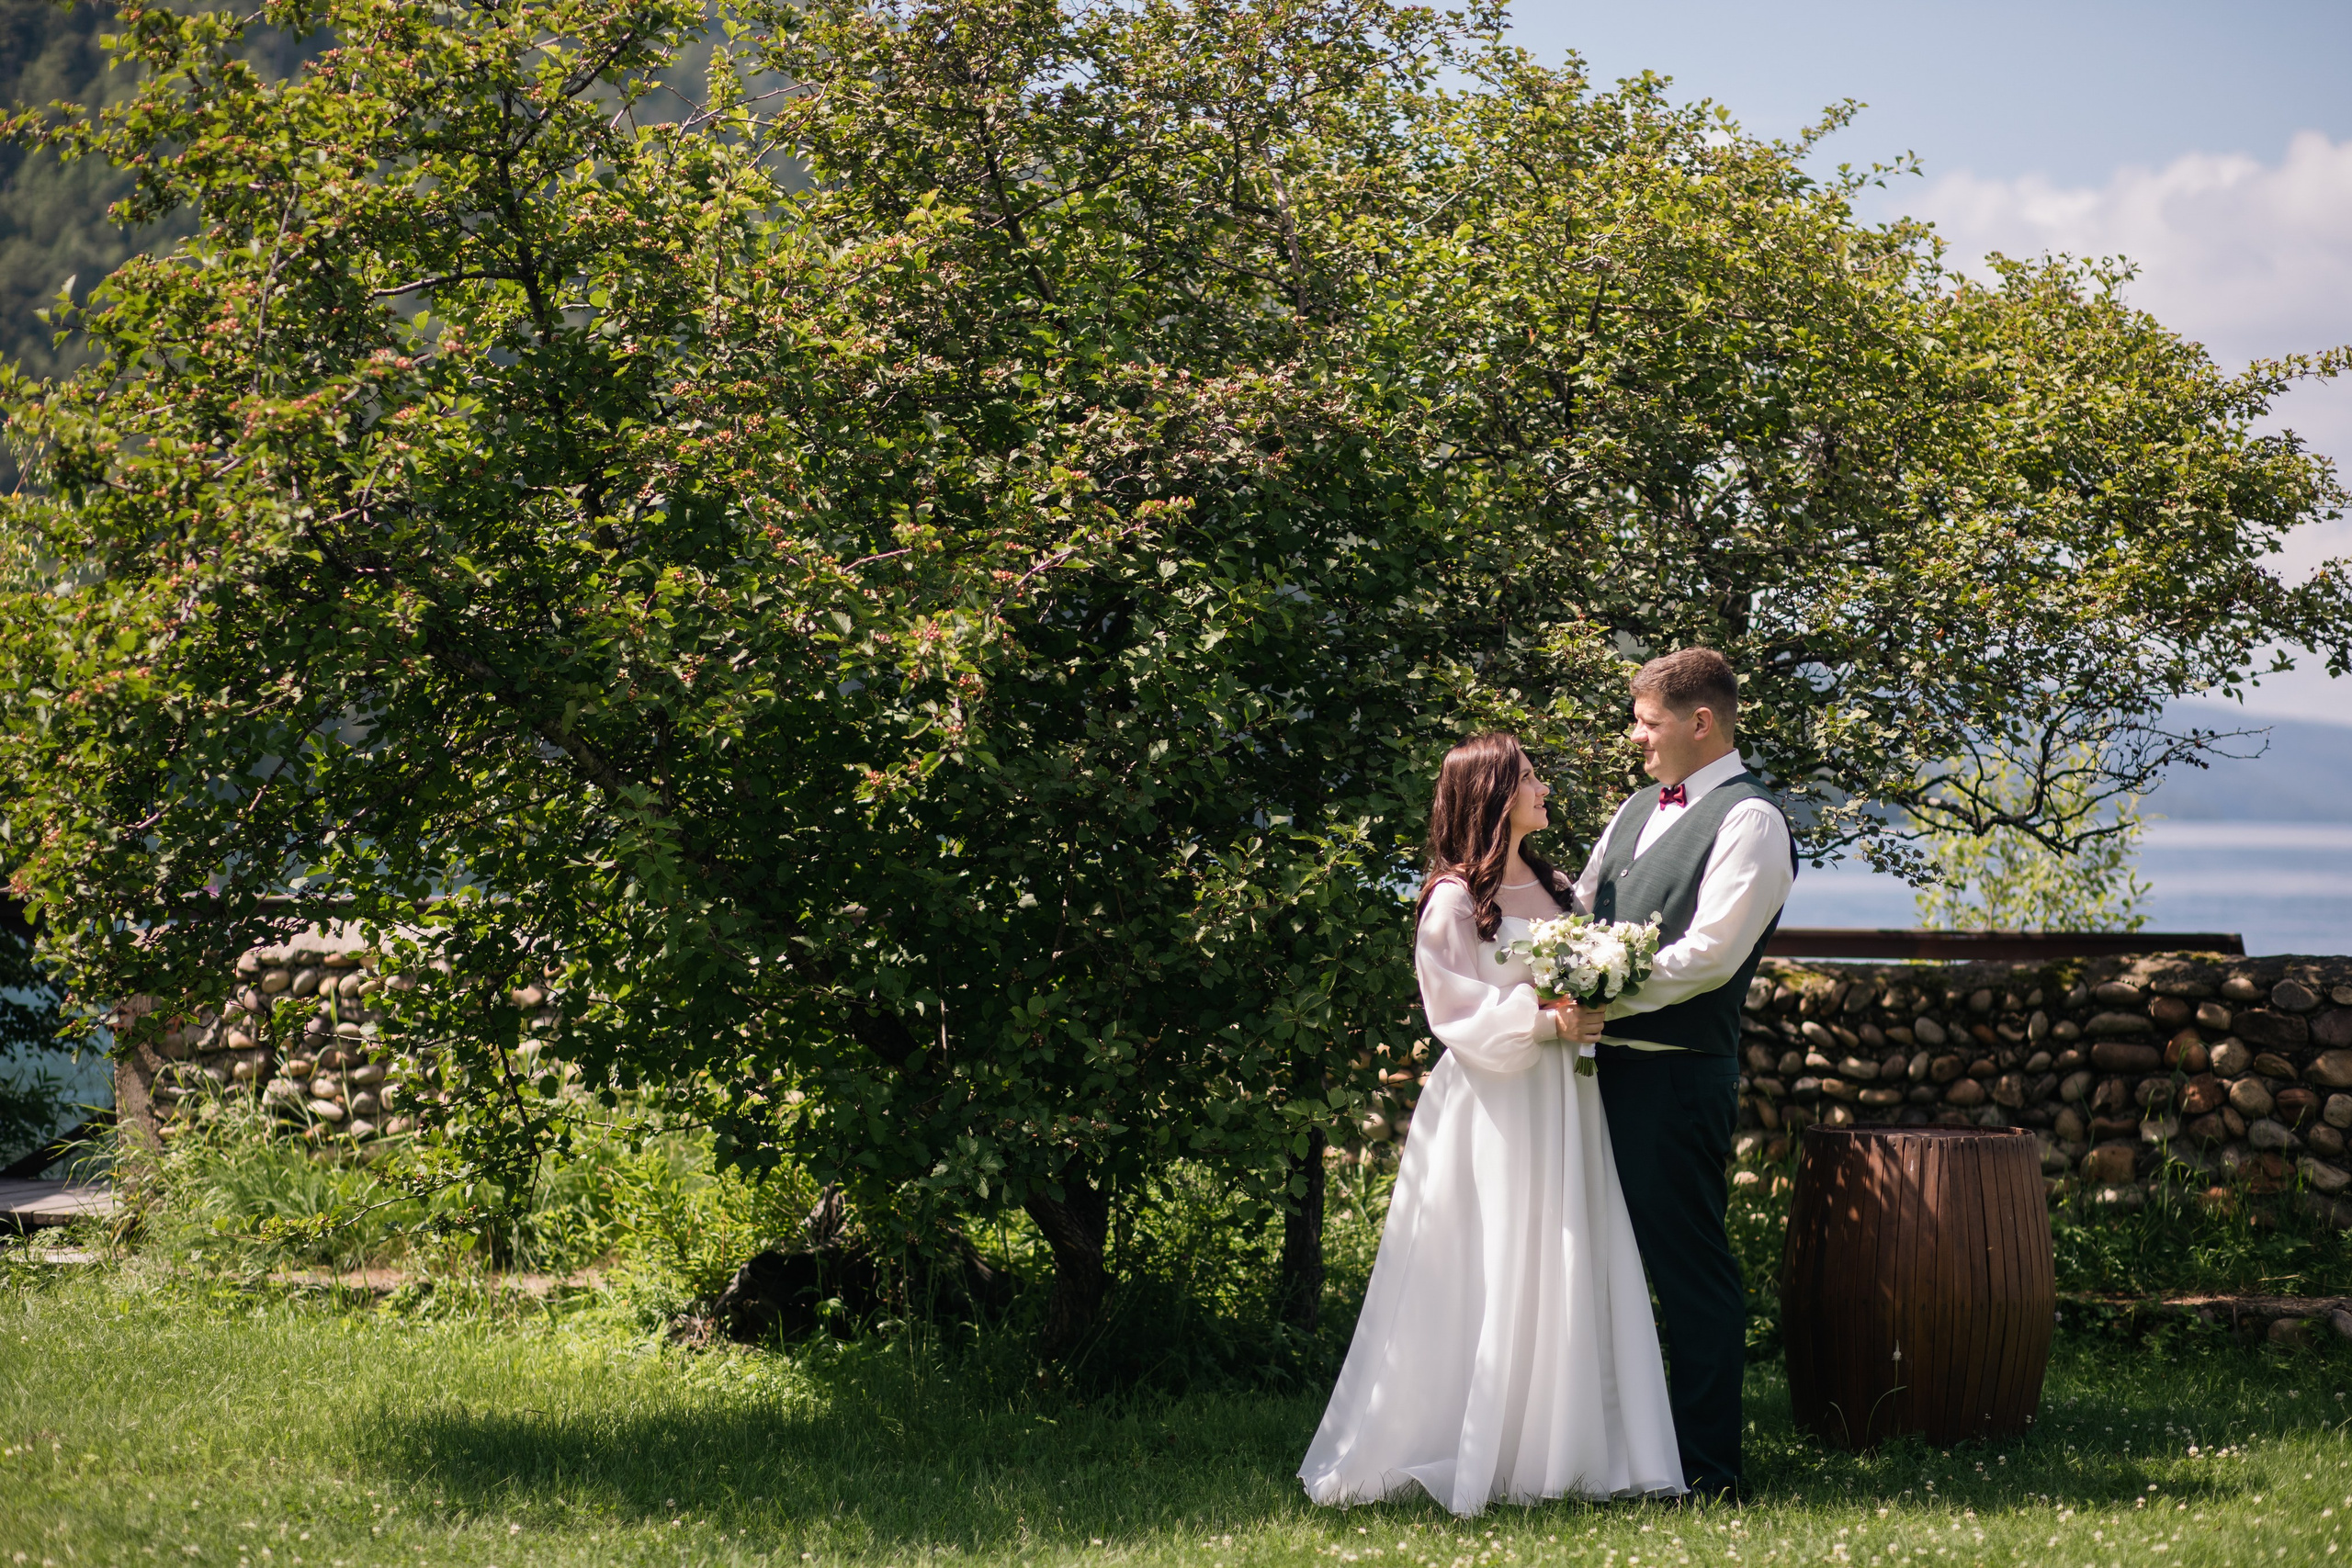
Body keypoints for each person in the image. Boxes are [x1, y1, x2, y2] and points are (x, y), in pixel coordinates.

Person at [1297, 731, 1683, 1516]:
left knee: (1569, 1247)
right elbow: (1455, 1013)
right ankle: (1482, 1443)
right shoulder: (1450, 900)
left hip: (1565, 1100)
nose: (1545, 786)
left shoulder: (1560, 886)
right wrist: (1547, 1021)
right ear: (1495, 793)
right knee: (1495, 1254)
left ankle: (1570, 1448)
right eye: (1531, 775)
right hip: (1492, 1099)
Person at [1570, 647, 1796, 1504]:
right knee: (1600, 1268)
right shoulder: (1634, 809)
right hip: (1594, 1074)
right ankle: (1619, 1458)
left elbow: (1707, 957)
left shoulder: (1751, 821)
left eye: (1648, 721)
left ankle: (1710, 1473)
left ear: (1702, 722)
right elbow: (1584, 907)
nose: (1636, 737)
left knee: (1688, 1270)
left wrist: (1597, 1000)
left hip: (1673, 1079)